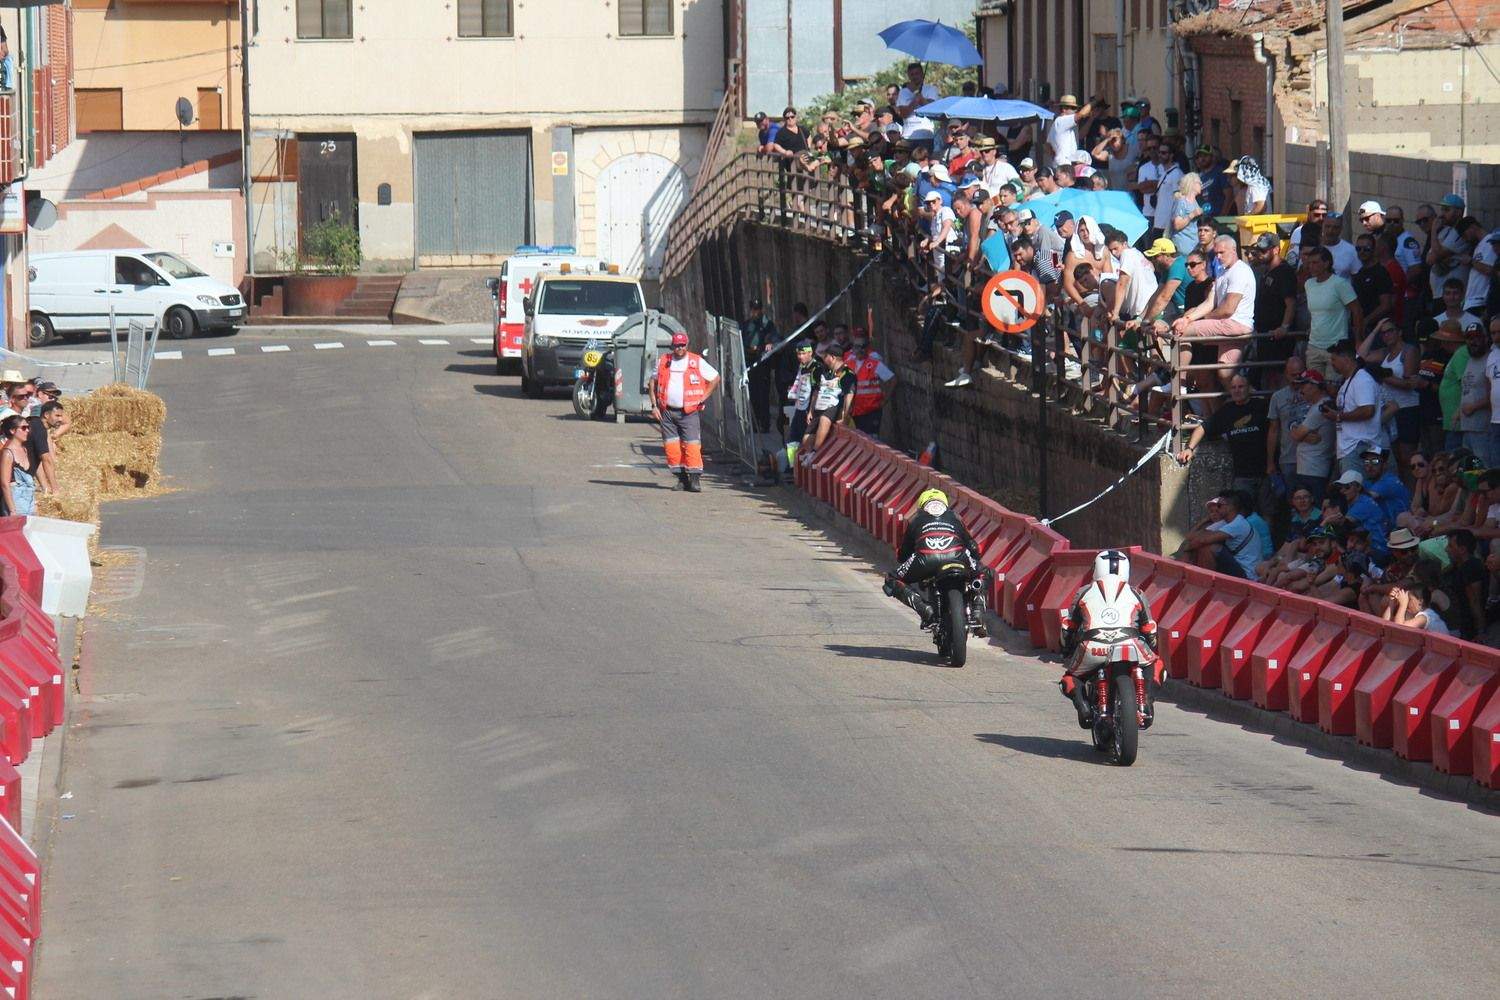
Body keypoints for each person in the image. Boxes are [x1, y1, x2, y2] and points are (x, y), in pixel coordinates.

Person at [1058, 549, 1161, 730]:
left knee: (1069, 678)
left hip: (1092, 647)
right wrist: (1153, 647)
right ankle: (1145, 701)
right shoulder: (1137, 593)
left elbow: (1069, 627)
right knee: (1157, 664)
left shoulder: (1084, 592)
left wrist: (1065, 650)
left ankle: (1083, 707)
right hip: (1131, 644)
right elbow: (1149, 628)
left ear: (1096, 568)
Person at [883, 488, 984, 629]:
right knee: (983, 573)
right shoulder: (956, 518)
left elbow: (903, 554)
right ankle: (978, 610)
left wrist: (906, 556)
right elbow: (974, 547)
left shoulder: (915, 520)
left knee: (891, 579)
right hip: (958, 556)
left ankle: (924, 609)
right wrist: (976, 560)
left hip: (925, 559)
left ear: (922, 505)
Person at [1171, 235, 1256, 392]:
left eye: (1222, 253)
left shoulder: (1240, 271)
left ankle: (1178, 383)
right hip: (1230, 325)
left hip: (1235, 323)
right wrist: (1188, 318)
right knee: (1225, 374)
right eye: (1216, 253)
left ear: (1233, 250)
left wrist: (1193, 321)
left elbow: (1227, 309)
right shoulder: (1223, 272)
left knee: (1180, 332)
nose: (1218, 257)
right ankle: (1256, 401)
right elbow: (1209, 303)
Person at [1174, 373, 1270, 498]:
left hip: (1266, 472)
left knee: (1269, 512)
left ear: (1248, 388)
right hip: (1242, 475)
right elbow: (1202, 427)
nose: (1237, 390)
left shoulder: (1261, 406)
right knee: (1241, 513)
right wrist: (1189, 448)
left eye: (1241, 387)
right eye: (1234, 387)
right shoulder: (1227, 411)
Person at [650, 332, 720, 493]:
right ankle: (682, 480)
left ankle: (695, 480)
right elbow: (652, 382)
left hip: (689, 412)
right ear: (672, 346)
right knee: (672, 448)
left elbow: (715, 378)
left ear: (687, 345)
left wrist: (703, 398)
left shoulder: (696, 361)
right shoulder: (663, 361)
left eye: (682, 345)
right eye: (676, 345)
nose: (679, 348)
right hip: (667, 412)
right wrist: (654, 405)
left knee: (692, 446)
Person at [1301, 246, 1362, 378]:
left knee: (1333, 388)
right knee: (1314, 387)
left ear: (1326, 263)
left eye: (1315, 263)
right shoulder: (1308, 284)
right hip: (1314, 346)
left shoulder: (1340, 284)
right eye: (1309, 263)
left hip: (1336, 346)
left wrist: (1358, 340)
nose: (1311, 266)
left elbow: (1356, 310)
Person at [1174, 492, 1260, 579]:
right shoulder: (1224, 522)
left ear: (1230, 507)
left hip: (1247, 573)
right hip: (1235, 565)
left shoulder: (1238, 523)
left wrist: (1187, 548)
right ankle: (1181, 575)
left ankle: (1204, 581)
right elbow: (1190, 537)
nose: (1217, 509)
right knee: (1197, 545)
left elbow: (1202, 540)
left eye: (1219, 506)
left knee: (1209, 548)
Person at [1327, 341, 1382, 475]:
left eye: (1334, 359)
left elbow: (1368, 410)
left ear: (1346, 359)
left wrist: (1339, 416)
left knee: (1355, 493)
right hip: (1351, 448)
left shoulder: (1362, 379)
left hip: (1360, 446)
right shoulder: (1348, 381)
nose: (1332, 363)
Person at [1250, 233, 1299, 369]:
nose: (1260, 253)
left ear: (1276, 250)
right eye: (1258, 250)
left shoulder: (1284, 272)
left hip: (1278, 337)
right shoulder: (1266, 271)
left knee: (1279, 375)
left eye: (1264, 250)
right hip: (1264, 334)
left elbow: (1291, 303)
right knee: (1267, 376)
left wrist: (1284, 327)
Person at [801, 343, 856, 456]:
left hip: (834, 408)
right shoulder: (826, 372)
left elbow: (849, 397)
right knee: (806, 438)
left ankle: (815, 453)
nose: (823, 359)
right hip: (819, 407)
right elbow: (816, 391)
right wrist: (811, 410)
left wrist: (845, 418)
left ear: (832, 358)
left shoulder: (847, 374)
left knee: (824, 419)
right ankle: (808, 455)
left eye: (825, 356)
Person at [1289, 369, 1336, 498]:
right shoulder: (1316, 405)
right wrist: (1303, 435)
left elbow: (1296, 435)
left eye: (1304, 384)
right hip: (1311, 467)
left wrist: (1298, 433)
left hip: (1314, 468)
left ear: (1315, 386)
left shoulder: (1321, 407)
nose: (1300, 389)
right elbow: (1297, 434)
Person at [1266, 355, 1310, 489]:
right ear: (1285, 374)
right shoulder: (1277, 397)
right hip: (1288, 457)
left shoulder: (1314, 392)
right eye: (1293, 375)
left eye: (1299, 374)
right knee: (1291, 498)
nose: (1297, 378)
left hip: (1313, 455)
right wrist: (1270, 462)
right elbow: (1273, 430)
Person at [844, 329, 895, 436]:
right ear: (853, 348)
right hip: (855, 410)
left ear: (867, 348)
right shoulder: (848, 364)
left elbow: (892, 380)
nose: (859, 349)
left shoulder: (875, 364)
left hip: (871, 410)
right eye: (857, 346)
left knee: (872, 439)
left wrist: (885, 400)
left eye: (862, 346)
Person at [1457, 320, 1492, 462]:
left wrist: (1474, 406)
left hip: (1483, 428)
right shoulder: (1471, 359)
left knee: (1483, 470)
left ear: (1485, 338)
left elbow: (1496, 393)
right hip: (1467, 427)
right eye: (1470, 338)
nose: (1473, 341)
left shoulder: (1491, 359)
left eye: (1477, 337)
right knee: (1468, 472)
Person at [1441, 528, 1486, 639]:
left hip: (1466, 627)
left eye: (1450, 546)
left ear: (1462, 549)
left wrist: (1480, 632)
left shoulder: (1471, 568)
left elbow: (1475, 601)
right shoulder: (1457, 566)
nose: (1446, 549)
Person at [741, 298, 777, 434]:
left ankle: (765, 424)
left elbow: (774, 337)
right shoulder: (746, 325)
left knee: (764, 395)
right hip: (750, 363)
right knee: (754, 395)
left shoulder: (767, 324)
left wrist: (768, 344)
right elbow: (742, 341)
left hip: (763, 363)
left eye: (757, 309)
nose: (755, 312)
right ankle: (755, 424)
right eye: (753, 309)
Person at [1352, 234, 1397, 337]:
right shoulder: (1359, 273)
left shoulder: (1381, 272)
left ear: (1373, 249)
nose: (1362, 252)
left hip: (1377, 330)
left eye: (1366, 249)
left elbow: (1386, 304)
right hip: (1361, 329)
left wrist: (1366, 321)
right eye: (1358, 249)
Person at [782, 340, 817, 465]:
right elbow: (798, 382)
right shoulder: (802, 367)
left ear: (810, 353)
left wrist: (811, 411)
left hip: (808, 410)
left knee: (806, 439)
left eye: (803, 354)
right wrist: (792, 393)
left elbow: (816, 391)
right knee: (792, 440)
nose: (800, 357)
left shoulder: (815, 368)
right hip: (799, 407)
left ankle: (801, 468)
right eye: (798, 354)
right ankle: (793, 467)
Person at [1361, 445, 1412, 526]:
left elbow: (1366, 499)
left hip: (1406, 529)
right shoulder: (1368, 483)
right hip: (1390, 531)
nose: (1370, 466)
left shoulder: (1390, 480)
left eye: (1375, 461)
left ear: (1385, 465)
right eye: (1366, 462)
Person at [1045, 94, 1101, 168]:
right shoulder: (1062, 121)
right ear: (1064, 109)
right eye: (1072, 108)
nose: (1075, 110)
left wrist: (1091, 118)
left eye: (1075, 108)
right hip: (1064, 165)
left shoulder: (1065, 124)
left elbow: (1047, 145)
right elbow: (1080, 114)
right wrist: (1095, 102)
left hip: (1066, 165)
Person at [0, 416, 35, 517]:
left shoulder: (25, 449)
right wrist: (12, 510)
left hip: (29, 501)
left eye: (28, 427)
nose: (27, 430)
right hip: (15, 502)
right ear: (12, 430)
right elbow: (4, 484)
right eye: (24, 428)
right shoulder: (7, 453)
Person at [896, 63, 940, 143]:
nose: (914, 76)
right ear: (908, 76)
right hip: (908, 136)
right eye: (912, 74)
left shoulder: (931, 89)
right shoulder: (903, 92)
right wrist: (915, 101)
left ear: (922, 74)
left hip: (926, 136)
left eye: (917, 73)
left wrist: (922, 99)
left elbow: (932, 111)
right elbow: (903, 114)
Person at [1167, 172, 1206, 256]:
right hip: (1182, 247)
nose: (1201, 185)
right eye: (1199, 183)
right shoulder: (1181, 201)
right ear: (1192, 184)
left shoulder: (1196, 202)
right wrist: (1192, 214)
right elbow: (1177, 225)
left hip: (1194, 246)